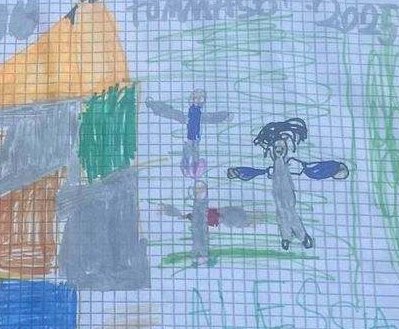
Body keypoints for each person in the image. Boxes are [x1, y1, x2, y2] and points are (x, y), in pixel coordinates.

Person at [227, 118, 348, 250]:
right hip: (277, 195)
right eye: (276, 147)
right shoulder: (273, 167)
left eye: (282, 147)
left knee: (288, 211)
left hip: (287, 195)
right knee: (281, 212)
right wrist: (239, 172)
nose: (279, 149)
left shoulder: (292, 164)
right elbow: (257, 172)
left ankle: (301, 236)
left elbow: (311, 169)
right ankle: (288, 237)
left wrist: (333, 168)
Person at [146, 90, 232, 178]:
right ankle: (189, 167)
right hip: (191, 137)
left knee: (193, 150)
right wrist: (155, 107)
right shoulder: (188, 115)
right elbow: (173, 114)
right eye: (195, 97)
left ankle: (192, 168)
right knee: (189, 150)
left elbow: (210, 117)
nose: (197, 100)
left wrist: (224, 116)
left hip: (195, 137)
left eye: (200, 98)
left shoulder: (198, 115)